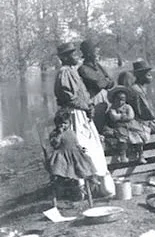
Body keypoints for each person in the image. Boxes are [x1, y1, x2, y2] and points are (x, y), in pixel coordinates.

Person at [54, 42, 115, 197]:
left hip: (81, 113)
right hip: (74, 115)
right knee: (82, 147)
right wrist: (86, 106)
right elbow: (69, 98)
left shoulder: (71, 71)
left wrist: (88, 105)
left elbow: (84, 92)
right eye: (73, 54)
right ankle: (83, 187)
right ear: (65, 57)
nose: (77, 56)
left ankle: (95, 184)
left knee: (92, 146)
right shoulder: (64, 72)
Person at [48, 109, 97, 200]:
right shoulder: (54, 133)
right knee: (59, 166)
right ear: (56, 124)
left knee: (86, 161)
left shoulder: (71, 132)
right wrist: (59, 133)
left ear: (69, 123)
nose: (63, 125)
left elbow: (76, 143)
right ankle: (62, 183)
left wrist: (80, 148)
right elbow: (55, 144)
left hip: (74, 154)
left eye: (65, 123)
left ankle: (90, 179)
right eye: (60, 123)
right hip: (62, 155)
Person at [105, 86, 151, 164]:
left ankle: (140, 155)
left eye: (122, 100)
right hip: (119, 126)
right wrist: (123, 116)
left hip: (131, 125)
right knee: (122, 137)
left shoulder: (128, 107)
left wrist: (121, 116)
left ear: (125, 100)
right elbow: (114, 117)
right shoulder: (112, 108)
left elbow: (131, 116)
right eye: (118, 99)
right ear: (114, 99)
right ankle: (123, 155)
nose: (120, 102)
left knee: (138, 137)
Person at [77, 40, 115, 131]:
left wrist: (105, 82)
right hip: (94, 99)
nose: (98, 53)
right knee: (98, 124)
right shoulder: (83, 69)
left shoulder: (98, 66)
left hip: (105, 97)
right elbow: (98, 84)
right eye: (95, 51)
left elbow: (111, 82)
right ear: (89, 54)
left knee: (108, 121)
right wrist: (105, 81)